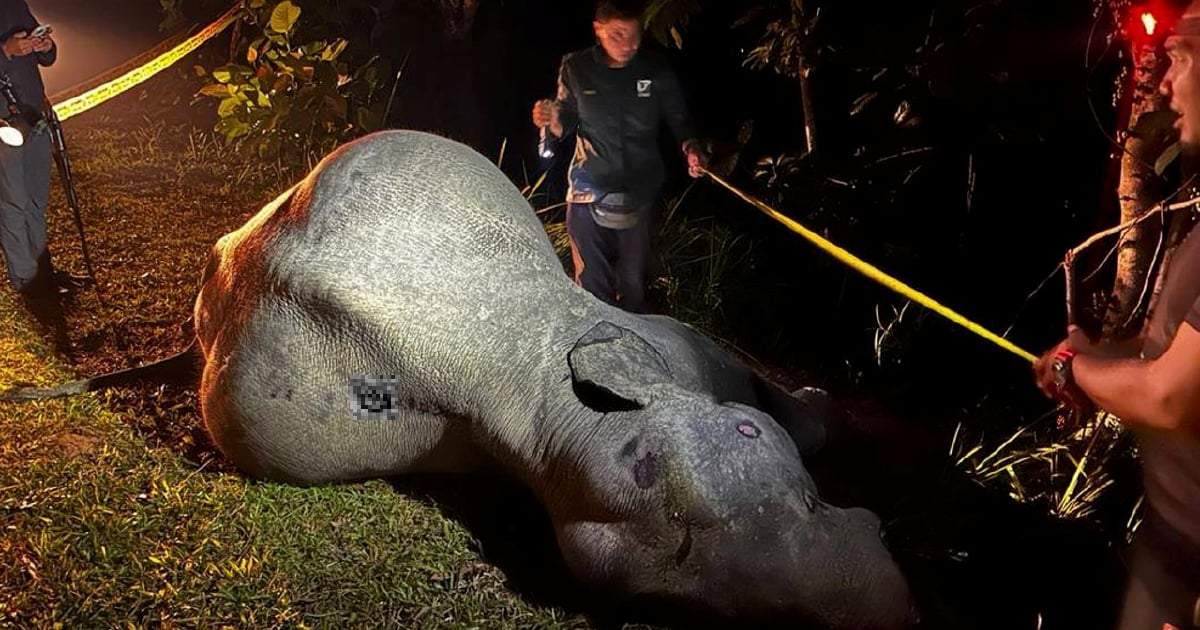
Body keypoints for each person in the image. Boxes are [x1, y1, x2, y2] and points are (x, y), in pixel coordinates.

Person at [1033, 7, 1200, 629]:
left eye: (1180, 58)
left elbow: (1167, 397)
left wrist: (1078, 371)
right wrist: (1097, 357)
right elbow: (1175, 351)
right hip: (1172, 549)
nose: (1161, 84)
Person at [531, 0, 708, 313]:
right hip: (588, 188)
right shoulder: (577, 67)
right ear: (598, 30)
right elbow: (566, 120)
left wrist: (691, 147)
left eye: (634, 35)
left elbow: (679, 118)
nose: (628, 45)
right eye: (617, 35)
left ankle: (634, 348)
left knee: (634, 287)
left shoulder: (655, 69)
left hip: (639, 192)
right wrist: (551, 119)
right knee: (589, 290)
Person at [0, 0, 57, 296]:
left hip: (35, 114)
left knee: (37, 199)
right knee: (14, 201)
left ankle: (42, 271)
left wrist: (45, 46)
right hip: (3, 123)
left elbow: (48, 58)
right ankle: (25, 279)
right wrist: (6, 51)